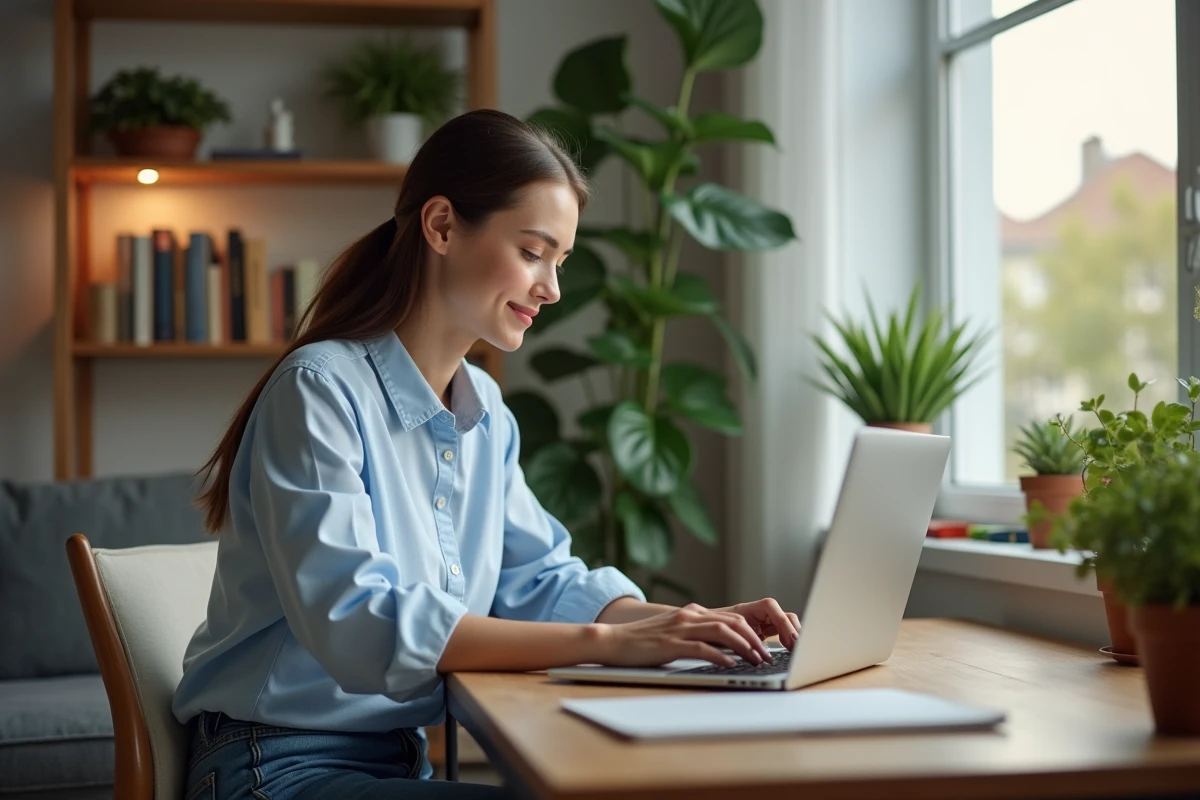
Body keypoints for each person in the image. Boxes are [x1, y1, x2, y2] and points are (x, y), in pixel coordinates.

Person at [173, 108, 801, 800]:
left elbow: (539, 581)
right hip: (275, 765)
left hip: (392, 761)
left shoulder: (486, 413)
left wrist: (689, 626)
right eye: (533, 253)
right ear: (441, 226)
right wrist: (610, 645)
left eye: (559, 262)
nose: (551, 289)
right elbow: (358, 624)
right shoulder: (319, 391)